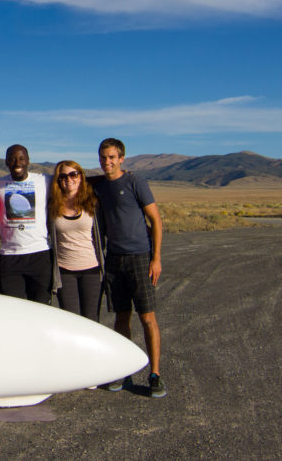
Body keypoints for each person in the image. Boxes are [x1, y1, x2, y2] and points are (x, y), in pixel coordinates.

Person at [94, 137, 166, 398]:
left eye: (112, 157)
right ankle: (124, 371)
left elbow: (155, 220)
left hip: (140, 257)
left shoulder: (136, 182)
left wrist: (155, 258)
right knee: (121, 318)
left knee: (147, 317)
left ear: (121, 158)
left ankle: (155, 374)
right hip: (114, 259)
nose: (107, 162)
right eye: (103, 158)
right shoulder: (100, 188)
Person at [0, 144, 52, 302]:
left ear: (28, 161)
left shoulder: (44, 181)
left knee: (42, 309)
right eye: (12, 159)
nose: (17, 162)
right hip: (10, 257)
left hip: (40, 255)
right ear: (6, 162)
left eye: (21, 158)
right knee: (14, 311)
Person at [47, 160, 102, 320]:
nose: (68, 179)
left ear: (81, 177)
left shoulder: (92, 201)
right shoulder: (52, 205)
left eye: (73, 174)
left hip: (91, 268)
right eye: (63, 176)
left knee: (92, 319)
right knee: (72, 320)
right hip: (64, 270)